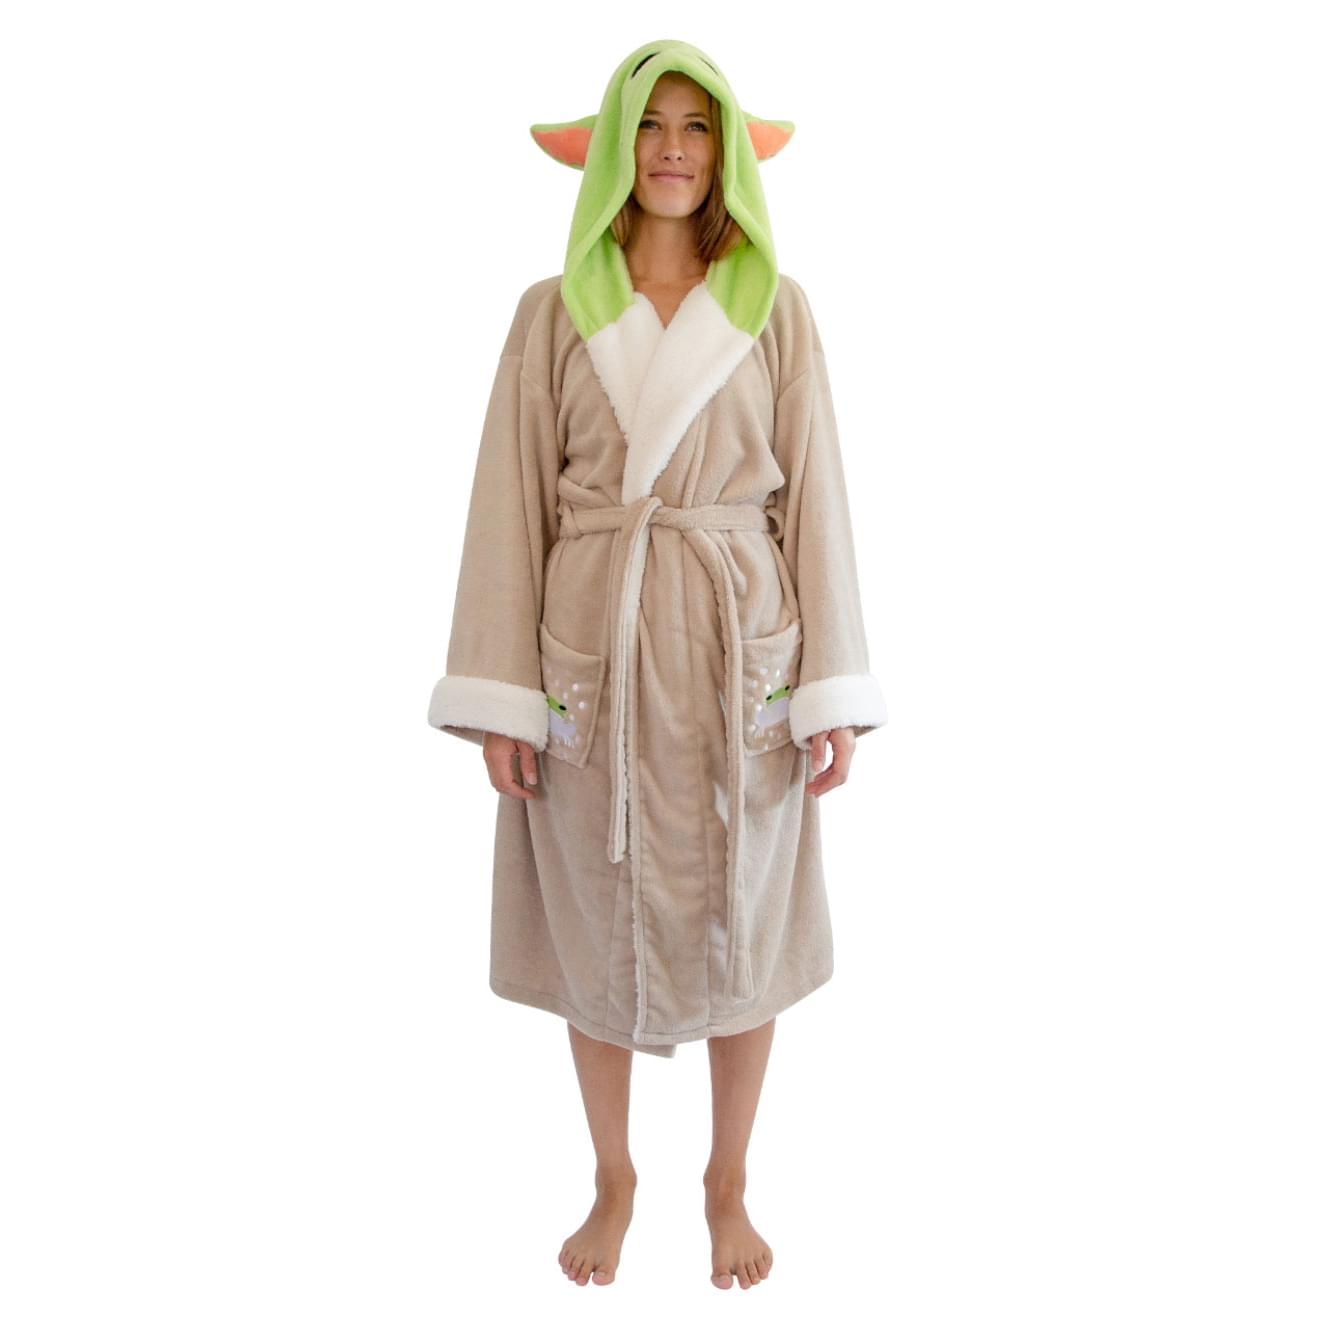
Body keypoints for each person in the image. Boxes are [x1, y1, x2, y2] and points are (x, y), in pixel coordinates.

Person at [426, 39, 887, 1289]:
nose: (672, 148)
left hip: (740, 648)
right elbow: (508, 502)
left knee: (750, 914)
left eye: (696, 125)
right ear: (613, 148)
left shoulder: (774, 307)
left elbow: (818, 499)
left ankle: (726, 1177)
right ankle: (613, 1173)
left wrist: (830, 689)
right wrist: (502, 697)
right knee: (593, 907)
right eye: (649, 123)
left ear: (727, 151)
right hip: (596, 651)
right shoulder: (551, 312)